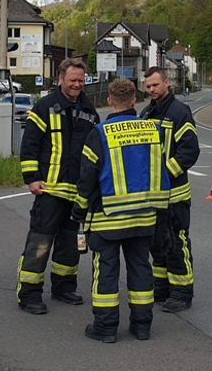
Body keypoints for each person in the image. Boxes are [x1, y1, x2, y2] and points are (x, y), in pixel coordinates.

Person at [72, 79, 170, 342]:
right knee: (141, 269)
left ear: (109, 102)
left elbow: (87, 177)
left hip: (109, 218)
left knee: (106, 273)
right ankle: (142, 326)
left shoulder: (100, 133)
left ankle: (105, 328)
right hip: (144, 216)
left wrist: (79, 211)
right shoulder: (153, 130)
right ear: (135, 101)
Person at [16, 59, 100, 314]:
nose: (77, 85)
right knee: (40, 242)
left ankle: (64, 287)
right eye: (72, 80)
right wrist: (31, 178)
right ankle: (29, 293)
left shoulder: (89, 111)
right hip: (49, 190)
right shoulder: (45, 107)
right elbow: (30, 144)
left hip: (76, 193)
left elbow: (95, 152)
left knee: (70, 243)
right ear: (61, 78)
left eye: (81, 80)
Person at [140, 66, 200, 313]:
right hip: (153, 196)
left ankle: (182, 293)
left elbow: (189, 151)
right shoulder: (146, 113)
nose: (151, 89)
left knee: (176, 243)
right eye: (148, 86)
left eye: (155, 85)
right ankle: (162, 288)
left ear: (166, 83)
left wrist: (164, 174)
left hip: (174, 194)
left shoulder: (179, 112)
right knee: (157, 244)